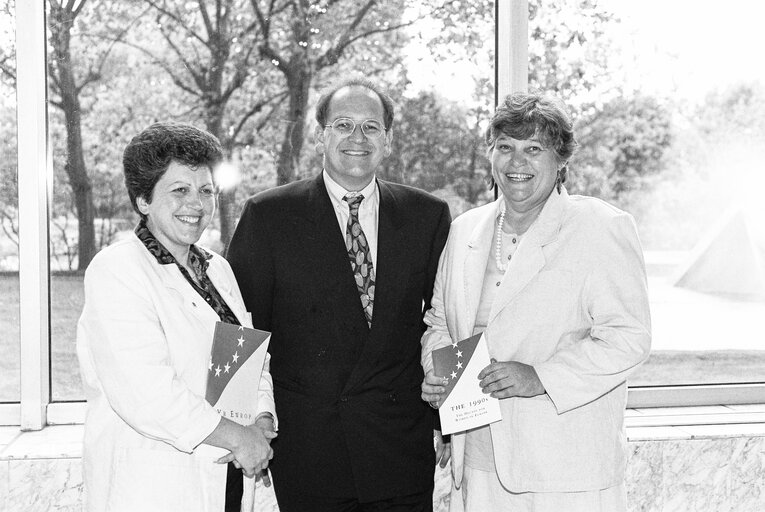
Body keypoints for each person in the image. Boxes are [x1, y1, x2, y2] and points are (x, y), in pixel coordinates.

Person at [226, 77, 452, 512]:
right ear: (320, 135)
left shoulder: (427, 215)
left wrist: (450, 420)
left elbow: (444, 321)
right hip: (309, 451)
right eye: (343, 124)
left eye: (371, 127)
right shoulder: (268, 215)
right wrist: (244, 431)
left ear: (388, 140)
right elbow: (241, 330)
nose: (357, 138)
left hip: (399, 449)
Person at [420, 91, 651, 512]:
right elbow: (439, 321)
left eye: (533, 149)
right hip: (476, 462)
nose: (516, 162)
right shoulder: (464, 229)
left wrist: (540, 377)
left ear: (561, 160)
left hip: (565, 470)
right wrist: (438, 380)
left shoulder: (599, 228)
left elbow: (629, 339)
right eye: (504, 147)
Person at [76, 122, 277, 512]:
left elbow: (250, 356)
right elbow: (146, 392)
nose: (197, 205)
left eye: (206, 191)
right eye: (179, 190)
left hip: (227, 476)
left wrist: (263, 418)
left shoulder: (217, 269)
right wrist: (238, 437)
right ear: (143, 200)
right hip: (155, 483)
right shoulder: (117, 270)